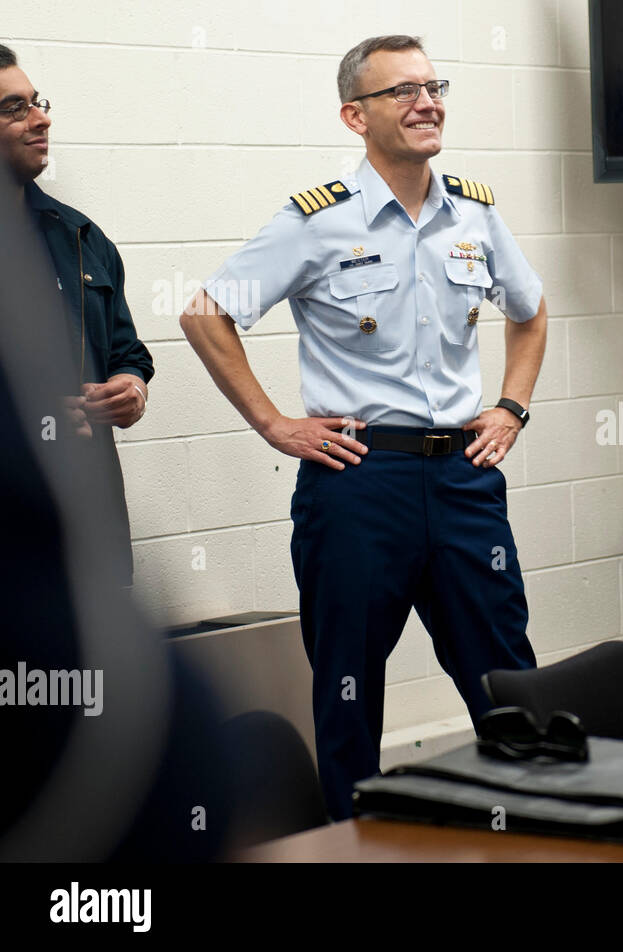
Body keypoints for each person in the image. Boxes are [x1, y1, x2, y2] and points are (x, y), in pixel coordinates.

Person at [180, 35, 547, 819]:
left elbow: (531, 309)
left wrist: (511, 407)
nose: (428, 101)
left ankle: (543, 829)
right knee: (348, 688)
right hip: (358, 482)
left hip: (462, 480)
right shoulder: (317, 220)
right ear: (355, 115)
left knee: (509, 679)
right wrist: (274, 423)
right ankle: (348, 841)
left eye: (434, 85)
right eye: (403, 91)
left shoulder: (474, 212)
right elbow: (205, 312)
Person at [0, 44, 153, 588]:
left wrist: (131, 386)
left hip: (86, 541)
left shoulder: (80, 237)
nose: (41, 118)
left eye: (36, 102)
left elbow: (128, 352)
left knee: (93, 675)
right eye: (13, 108)